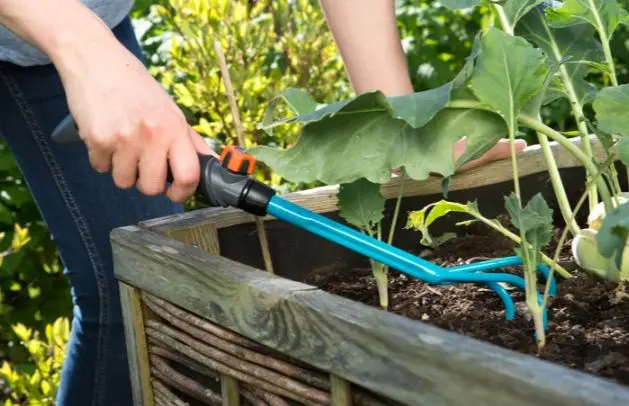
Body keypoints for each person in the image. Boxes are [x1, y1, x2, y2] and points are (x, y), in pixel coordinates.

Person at [0, 0, 525, 404]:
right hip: (66, 29)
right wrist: (84, 48)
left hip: (78, 23)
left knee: (135, 290)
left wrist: (402, 132)